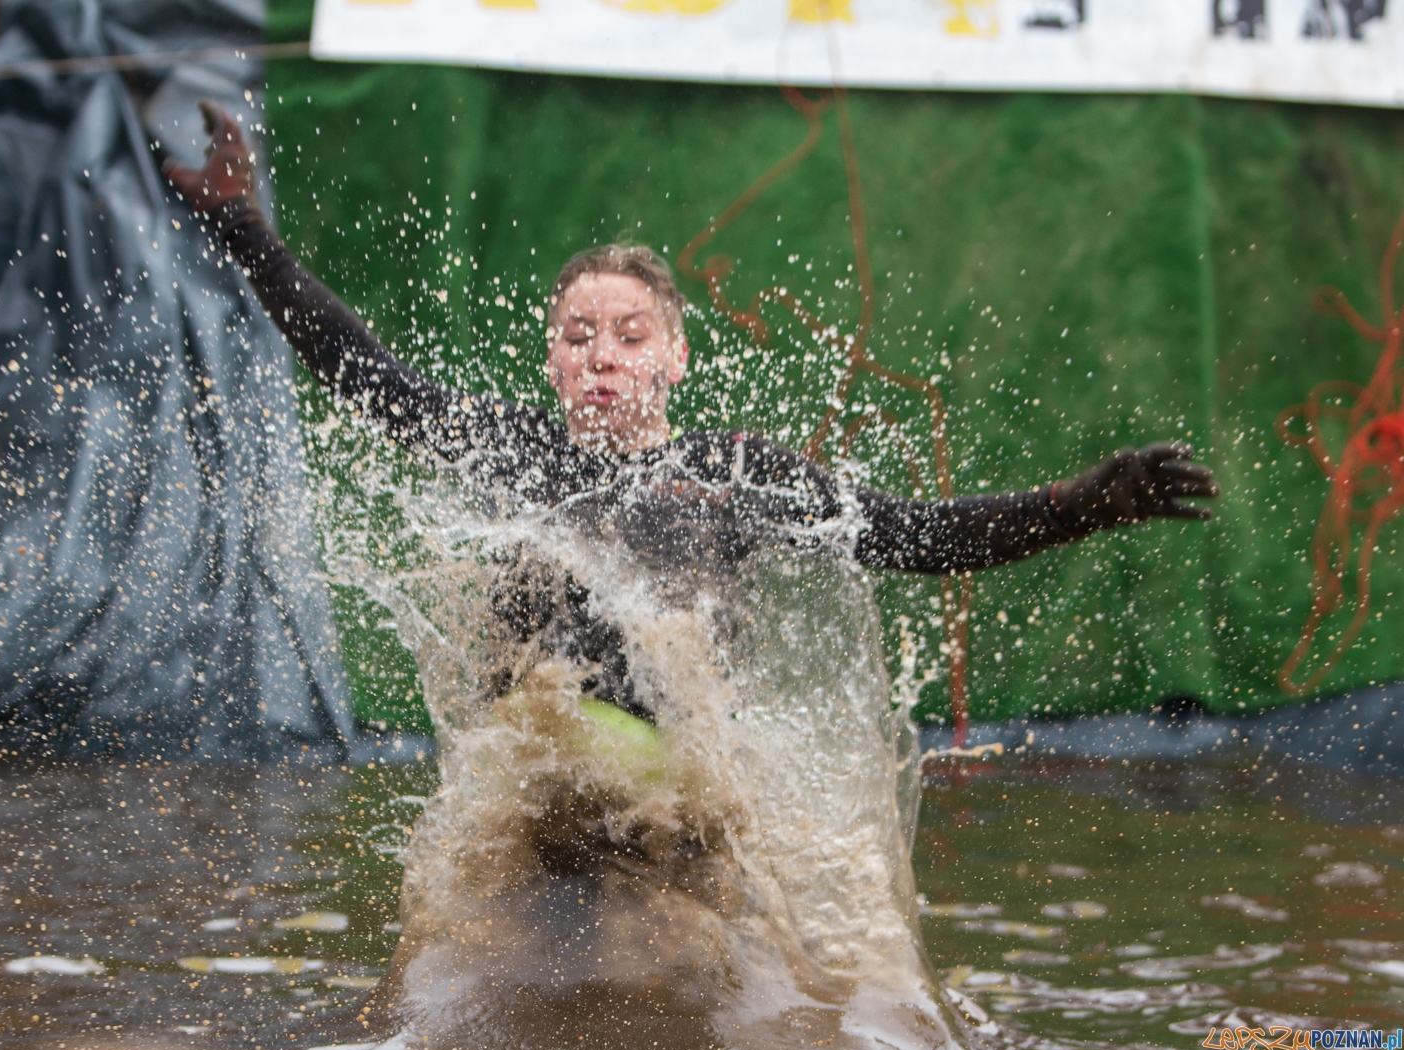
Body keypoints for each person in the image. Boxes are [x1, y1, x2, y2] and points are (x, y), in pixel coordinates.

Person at [163, 101, 1218, 724]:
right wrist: (247, 231)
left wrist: (1089, 500)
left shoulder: (740, 473)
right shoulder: (513, 449)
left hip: (674, 785)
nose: (602, 357)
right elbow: (364, 373)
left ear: (675, 356)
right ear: (551, 361)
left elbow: (916, 536)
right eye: (578, 336)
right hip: (537, 767)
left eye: (629, 336)